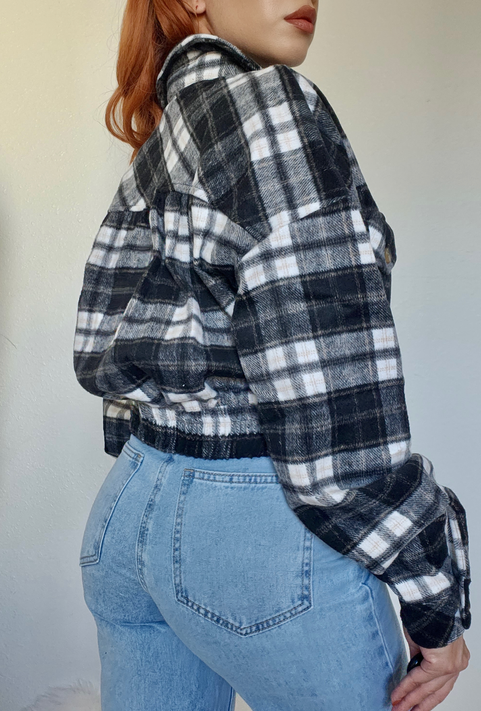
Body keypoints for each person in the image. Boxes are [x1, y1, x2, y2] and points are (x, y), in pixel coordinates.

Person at [73, 2, 471, 709]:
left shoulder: (166, 136)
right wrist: (433, 596)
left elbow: (109, 337)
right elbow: (333, 415)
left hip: (132, 505)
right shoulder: (269, 106)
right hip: (257, 529)